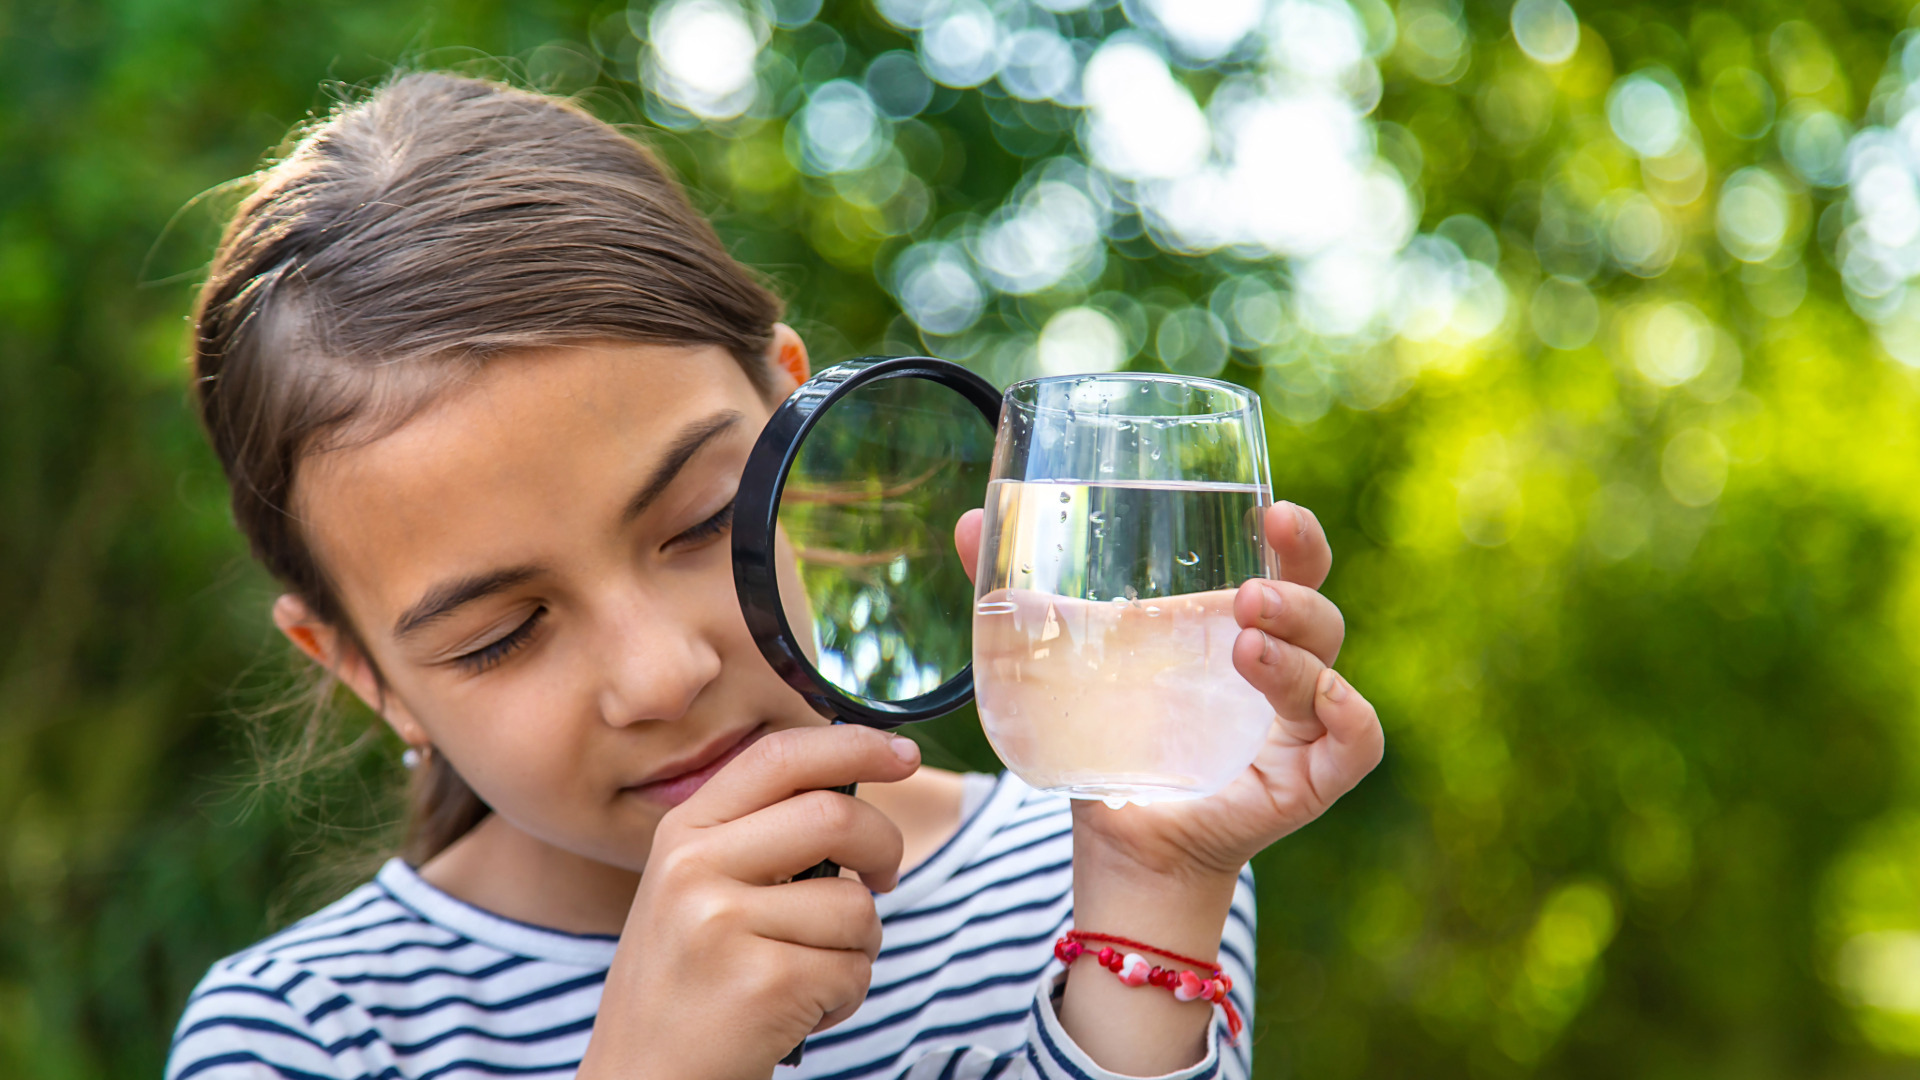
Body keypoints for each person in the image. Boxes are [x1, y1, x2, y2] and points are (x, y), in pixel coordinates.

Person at [164, 71, 1384, 1080]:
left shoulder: (1085, 867)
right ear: (365, 674)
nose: (660, 672)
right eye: (500, 633)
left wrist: (1145, 896)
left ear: (797, 421)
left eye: (701, 522)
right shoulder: (302, 1035)